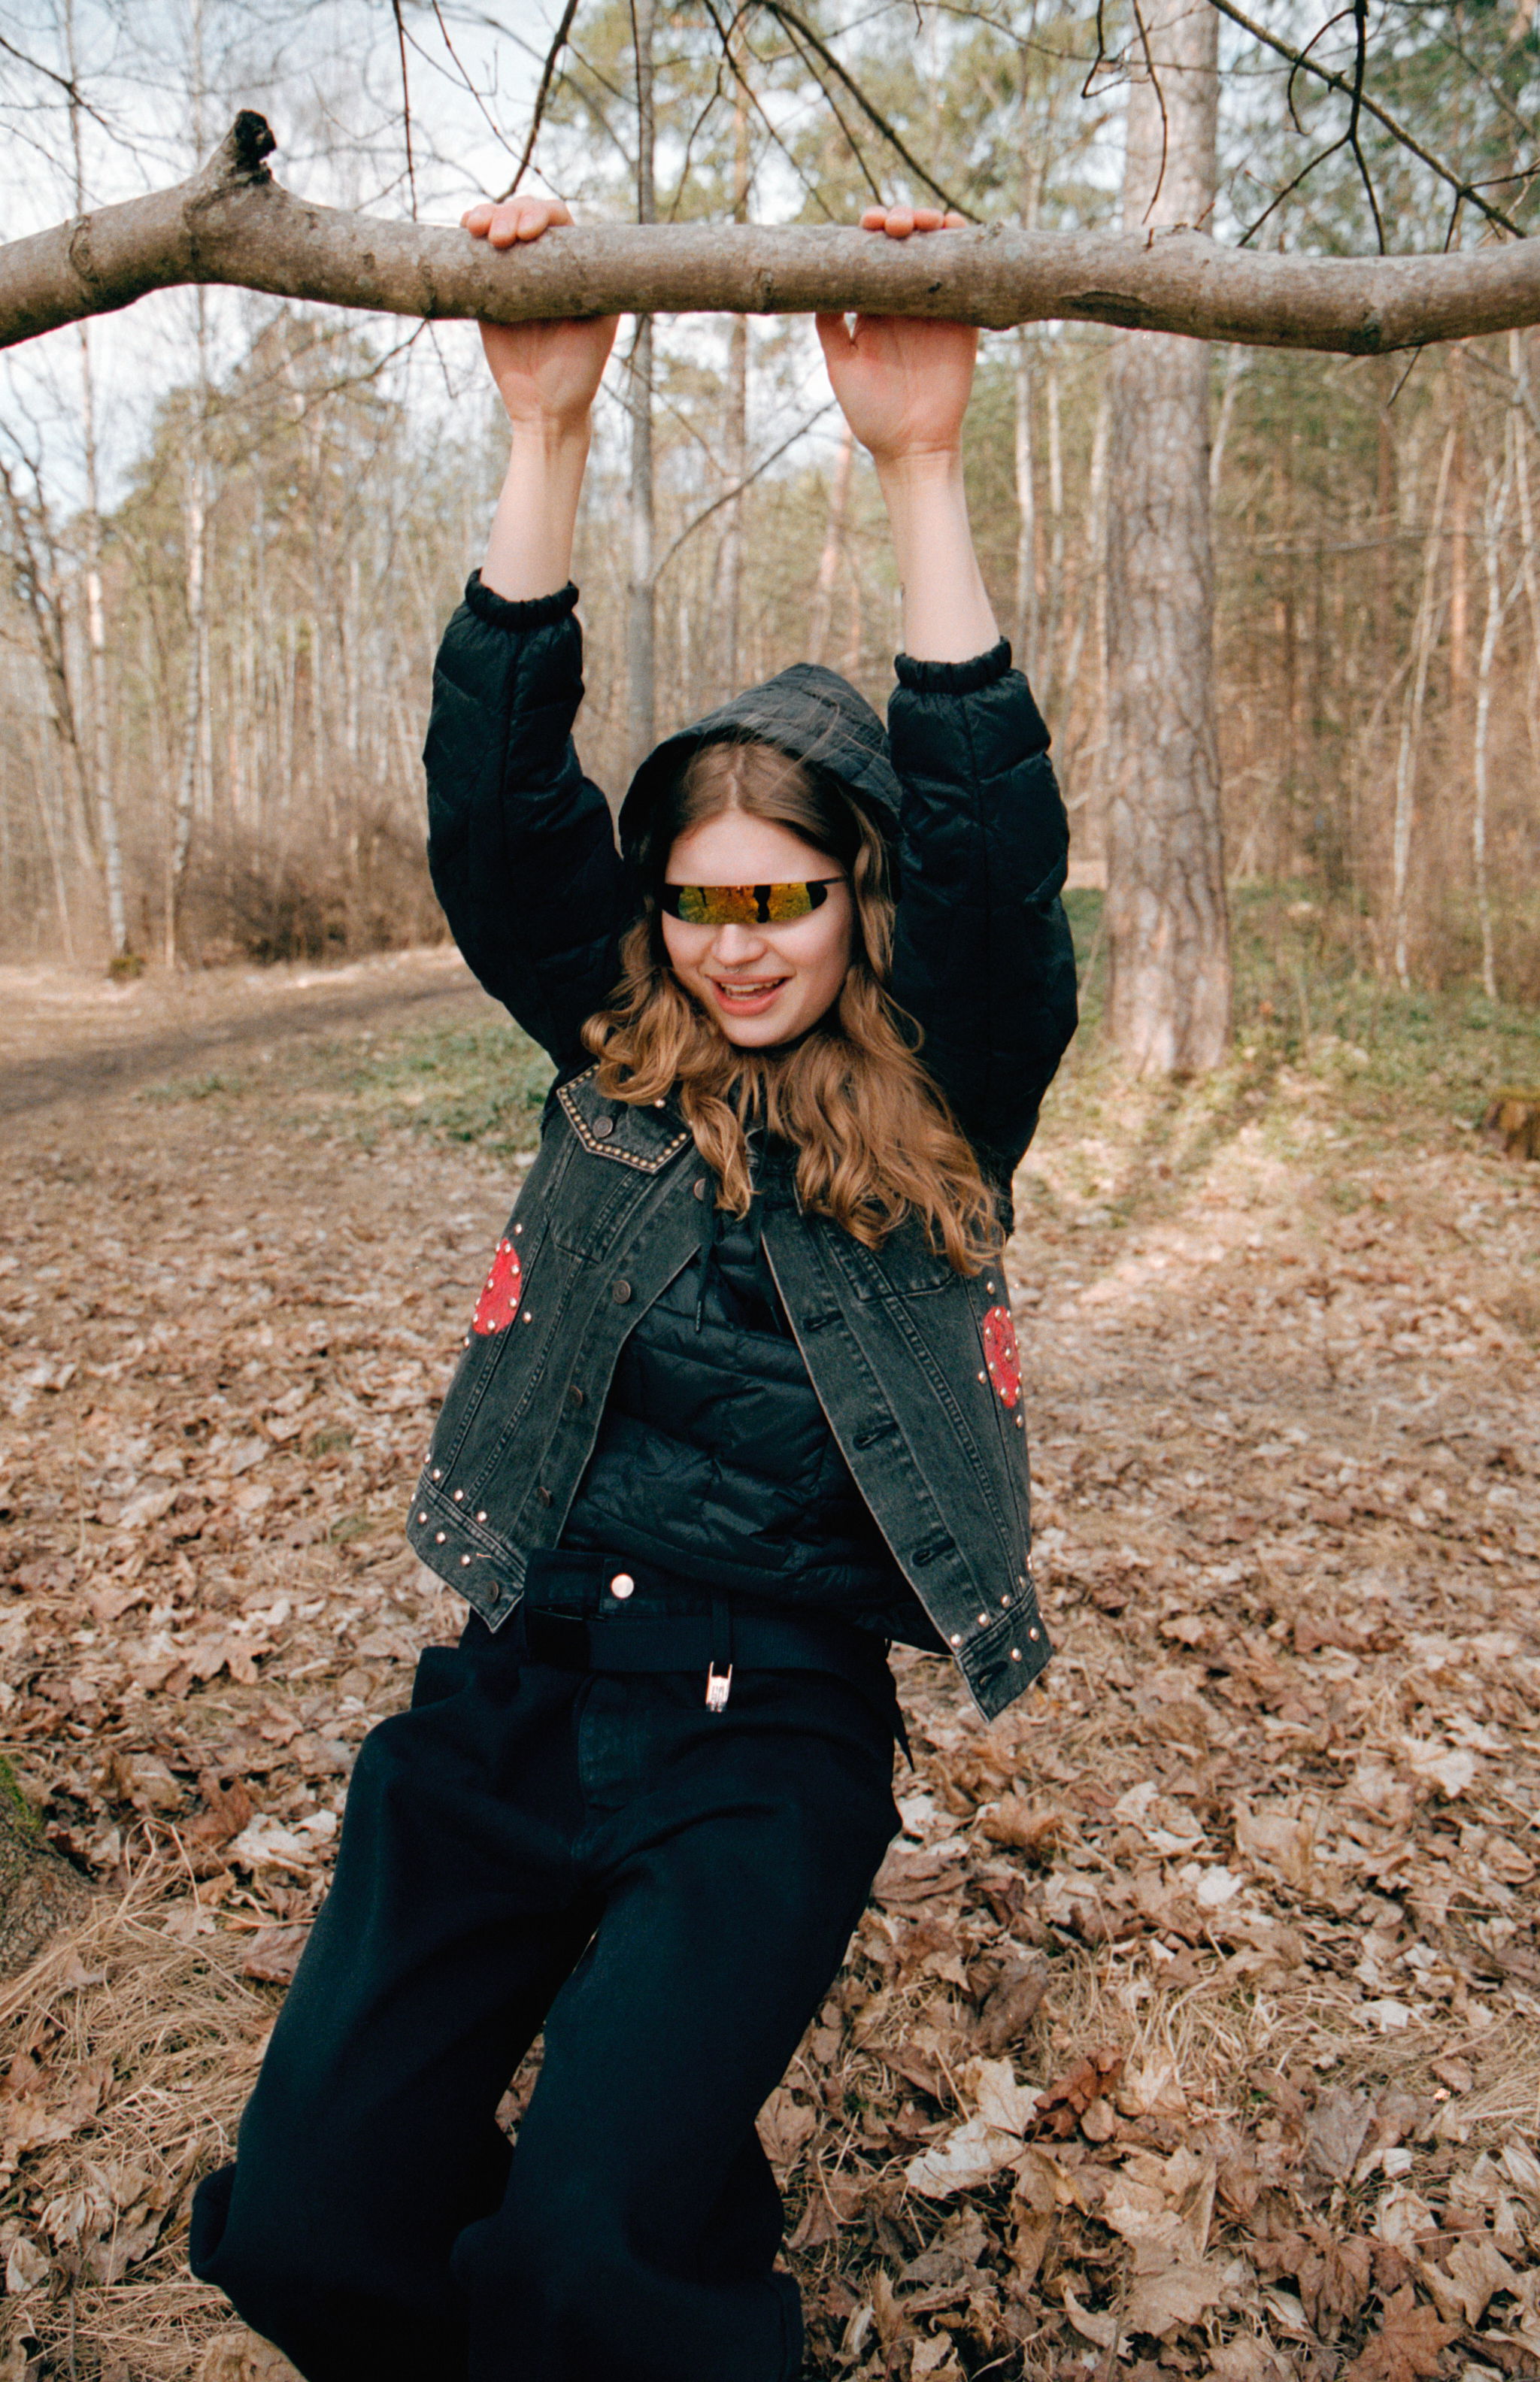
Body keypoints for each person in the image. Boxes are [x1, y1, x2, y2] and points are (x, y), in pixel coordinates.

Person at [189, 197, 1078, 2382]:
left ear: (856, 902)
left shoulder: (954, 1085)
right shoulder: (612, 1055)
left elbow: (990, 836)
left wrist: (923, 467)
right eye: (696, 901)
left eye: (788, 896)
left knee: (588, 2285)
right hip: (506, 1699)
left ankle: (616, 2249)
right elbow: (496, 812)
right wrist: (541, 426)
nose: (738, 943)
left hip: (761, 1736)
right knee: (302, 2236)